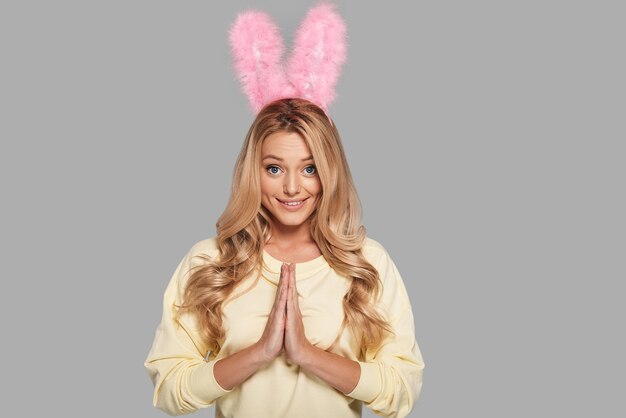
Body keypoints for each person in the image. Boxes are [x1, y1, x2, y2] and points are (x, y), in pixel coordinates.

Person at [144, 4, 424, 418]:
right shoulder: (211, 261)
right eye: (274, 168)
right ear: (252, 171)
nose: (292, 187)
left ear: (329, 172)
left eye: (309, 168)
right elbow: (170, 389)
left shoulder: (367, 263)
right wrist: (258, 354)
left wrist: (307, 355)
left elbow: (402, 390)